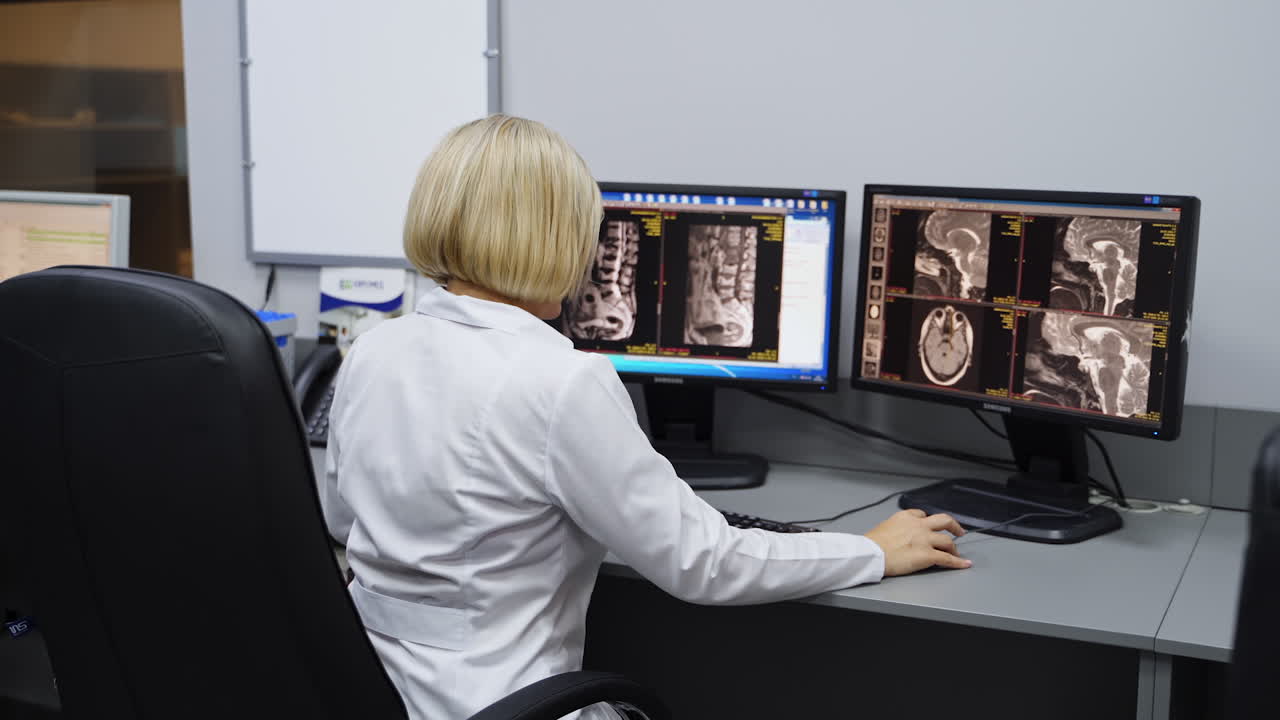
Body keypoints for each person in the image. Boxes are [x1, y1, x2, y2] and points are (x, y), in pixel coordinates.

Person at [321, 114, 970, 720]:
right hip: (506, 706)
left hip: (376, 692)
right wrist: (870, 550)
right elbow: (704, 563)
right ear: (558, 237)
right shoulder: (562, 381)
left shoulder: (375, 346)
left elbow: (346, 523)